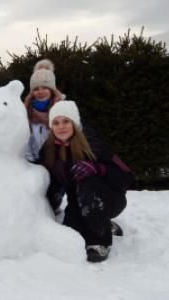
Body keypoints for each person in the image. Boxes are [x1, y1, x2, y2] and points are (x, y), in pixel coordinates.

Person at [39, 101, 132, 263]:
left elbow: (126, 177)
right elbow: (47, 181)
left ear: (74, 122)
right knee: (71, 232)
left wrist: (99, 169)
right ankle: (102, 222)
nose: (61, 126)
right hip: (78, 201)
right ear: (51, 126)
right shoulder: (48, 150)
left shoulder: (93, 144)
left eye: (66, 121)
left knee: (87, 182)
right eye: (56, 122)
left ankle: (101, 240)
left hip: (109, 199)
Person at [24, 59, 64, 163]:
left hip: (58, 165)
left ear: (52, 89)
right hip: (33, 164)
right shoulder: (25, 112)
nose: (40, 92)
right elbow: (25, 143)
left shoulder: (64, 110)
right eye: (36, 89)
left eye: (45, 87)